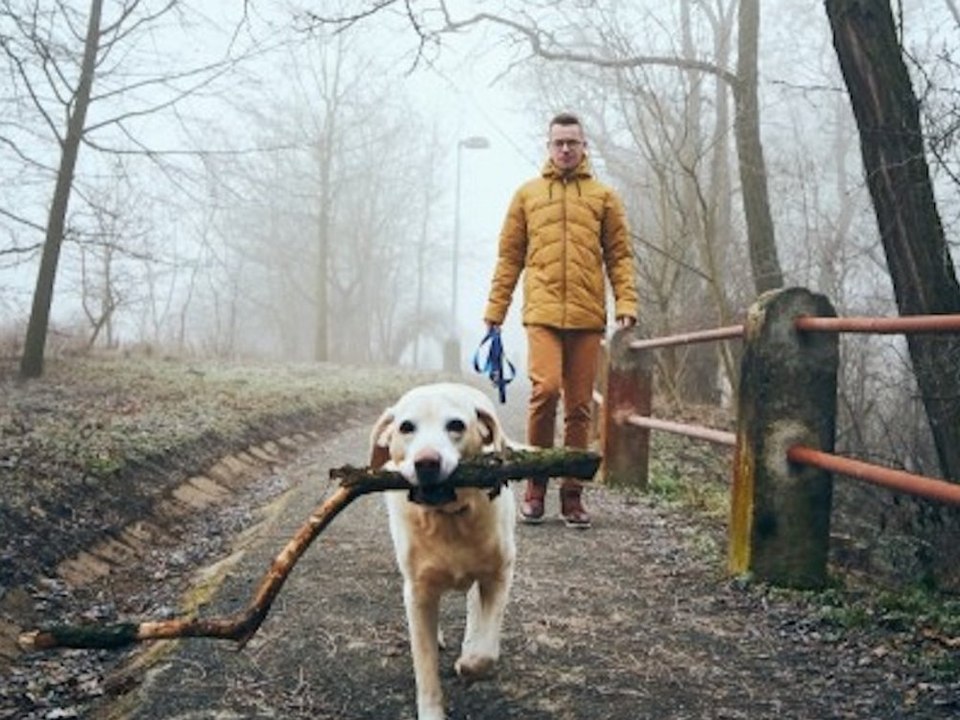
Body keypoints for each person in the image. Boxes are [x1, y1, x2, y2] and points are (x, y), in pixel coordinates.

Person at [483, 111, 639, 529]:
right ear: (549, 146)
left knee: (579, 407)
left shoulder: (605, 197)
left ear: (584, 146)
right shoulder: (527, 195)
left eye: (573, 142)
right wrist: (495, 312)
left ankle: (572, 495)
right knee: (545, 390)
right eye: (559, 142)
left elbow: (619, 256)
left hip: (588, 317)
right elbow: (509, 258)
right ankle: (535, 486)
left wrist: (626, 302)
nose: (566, 149)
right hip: (543, 314)